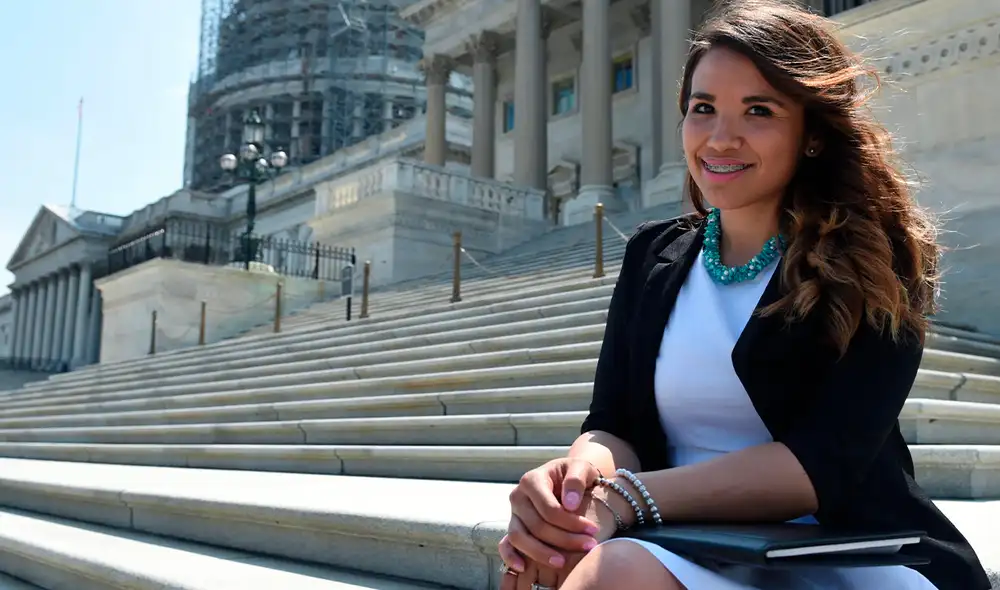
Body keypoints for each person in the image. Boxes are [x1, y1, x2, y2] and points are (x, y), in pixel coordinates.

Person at [496, 1, 992, 589]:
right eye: (702, 109)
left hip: (845, 552)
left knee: (610, 571)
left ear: (810, 134)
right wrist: (577, 486)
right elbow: (613, 422)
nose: (721, 138)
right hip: (688, 540)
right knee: (569, 561)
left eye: (758, 111)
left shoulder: (877, 257)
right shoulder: (650, 254)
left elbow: (821, 462)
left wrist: (626, 498)